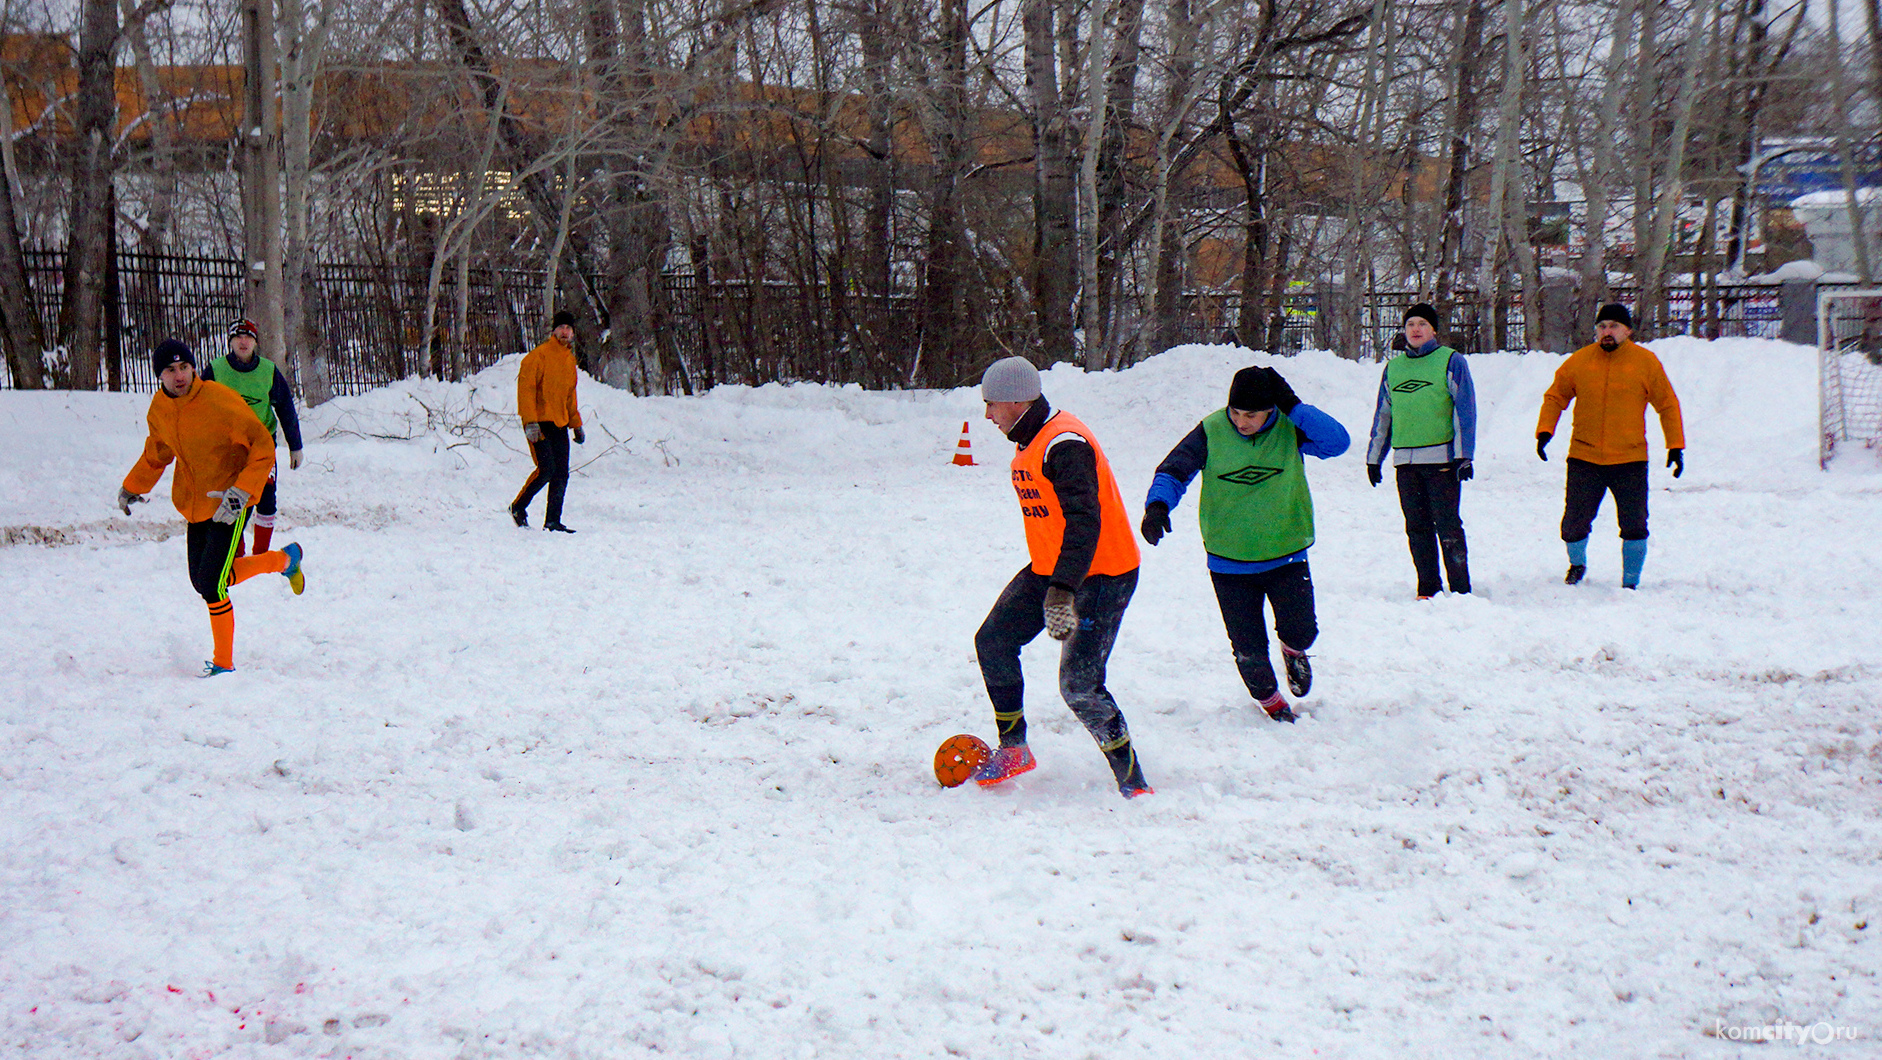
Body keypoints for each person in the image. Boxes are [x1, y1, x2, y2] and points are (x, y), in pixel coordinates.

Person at [970, 356, 1152, 798]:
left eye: (991, 404)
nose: (988, 415)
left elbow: (1085, 522)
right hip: (1053, 569)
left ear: (1016, 400)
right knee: (993, 641)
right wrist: (1054, 581)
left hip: (1104, 574)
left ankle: (1133, 782)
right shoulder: (1030, 438)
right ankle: (1014, 749)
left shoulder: (1064, 443)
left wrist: (1062, 591)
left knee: (1079, 685)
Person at [1142, 365, 1349, 722]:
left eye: (1250, 414)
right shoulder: (1211, 430)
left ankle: (1293, 650)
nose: (1240, 421)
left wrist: (1295, 407)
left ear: (1270, 409)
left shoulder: (1290, 428)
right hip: (1229, 560)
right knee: (1248, 651)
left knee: (1302, 631)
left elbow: (1337, 444)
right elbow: (1173, 470)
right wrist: (1158, 506)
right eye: (1235, 412)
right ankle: (1273, 706)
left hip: (1286, 553)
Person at [118, 339, 305, 677]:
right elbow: (158, 452)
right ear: (160, 375)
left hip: (232, 500)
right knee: (204, 579)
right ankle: (285, 559)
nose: (179, 376)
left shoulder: (219, 400)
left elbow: (262, 445)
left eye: (185, 368)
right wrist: (133, 486)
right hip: (196, 502)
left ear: (193, 368)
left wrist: (242, 492)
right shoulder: (159, 408)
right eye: (171, 370)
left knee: (213, 584)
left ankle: (224, 663)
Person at [1535, 303, 1686, 588]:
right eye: (1602, 326)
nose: (1607, 332)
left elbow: (1667, 404)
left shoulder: (1646, 362)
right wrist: (1545, 430)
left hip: (1629, 459)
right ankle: (1577, 563)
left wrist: (1675, 445)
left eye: (1614, 326)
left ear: (1627, 331)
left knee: (1634, 524)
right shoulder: (1579, 361)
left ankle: (1630, 580)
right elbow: (1555, 396)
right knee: (1573, 524)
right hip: (1584, 456)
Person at [1364, 302, 1476, 599]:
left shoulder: (1450, 361)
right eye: (1411, 324)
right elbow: (1383, 416)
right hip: (1406, 463)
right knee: (1416, 527)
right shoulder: (1394, 368)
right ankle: (1428, 586)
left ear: (1434, 330)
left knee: (1448, 525)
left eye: (1422, 324)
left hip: (1441, 461)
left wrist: (1464, 455)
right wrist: (1374, 459)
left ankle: (1461, 588)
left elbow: (1464, 411)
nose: (1416, 329)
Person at [200, 318, 304, 557]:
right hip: (229, 448)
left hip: (262, 448)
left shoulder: (268, 371)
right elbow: (199, 408)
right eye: (237, 337)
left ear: (255, 342)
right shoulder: (216, 370)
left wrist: (295, 446)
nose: (243, 341)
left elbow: (286, 409)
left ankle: (261, 553)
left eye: (248, 337)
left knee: (266, 499)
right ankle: (236, 552)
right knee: (232, 500)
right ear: (230, 342)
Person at [510, 310, 586, 532]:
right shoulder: (537, 357)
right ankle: (518, 506)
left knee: (561, 472)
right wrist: (530, 421)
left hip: (559, 422)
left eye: (569, 329)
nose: (565, 332)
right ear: (554, 331)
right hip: (539, 423)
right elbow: (526, 391)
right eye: (561, 327)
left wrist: (576, 423)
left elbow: (570, 395)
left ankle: (553, 521)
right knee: (546, 469)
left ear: (572, 334)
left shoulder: (569, 361)